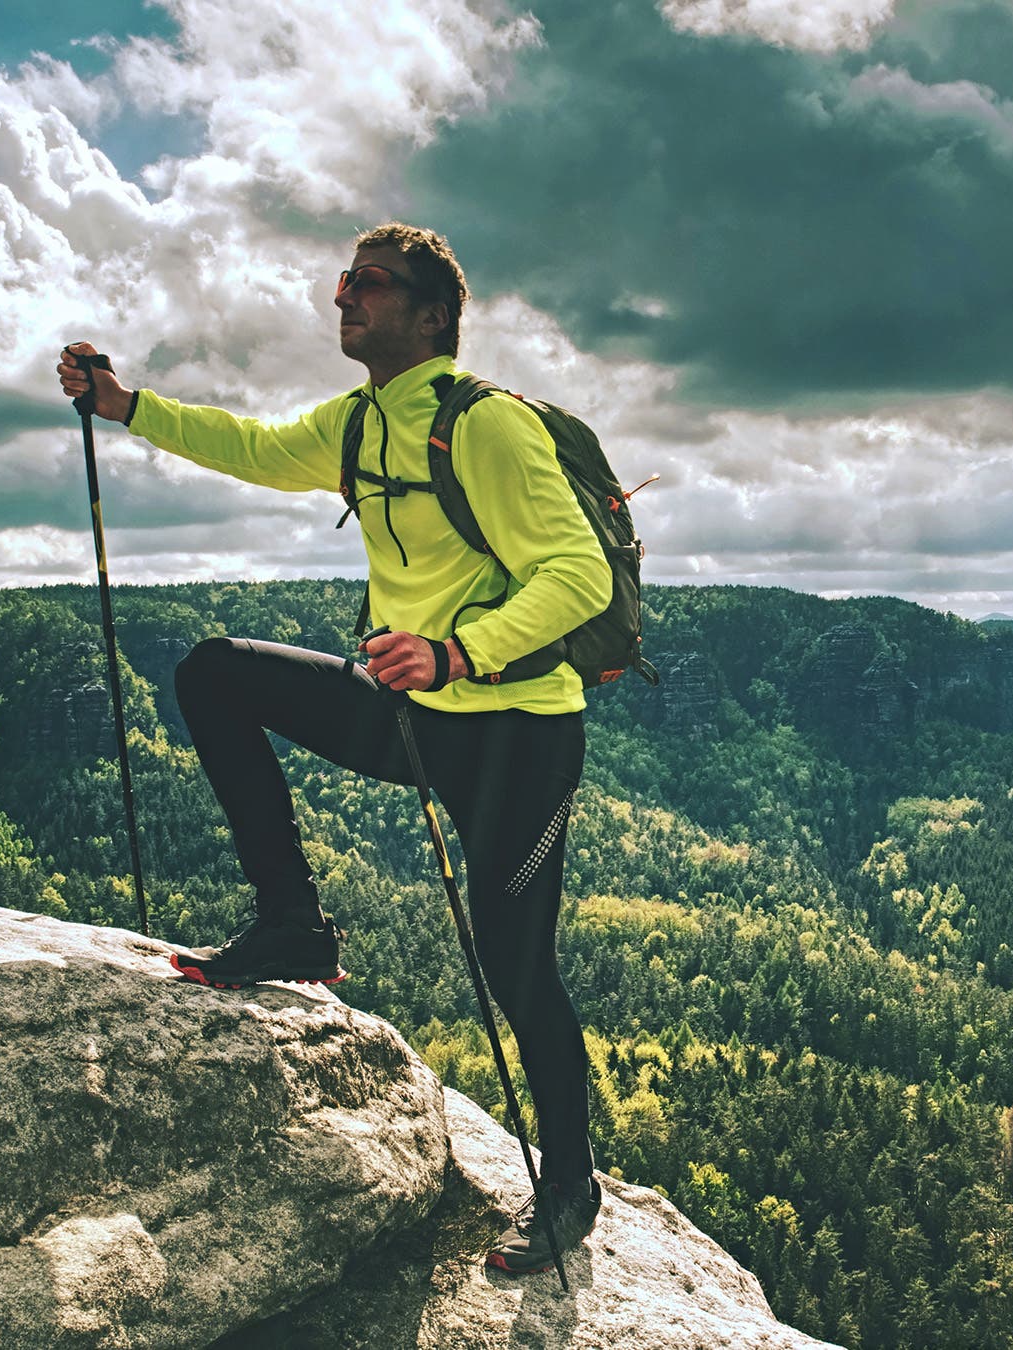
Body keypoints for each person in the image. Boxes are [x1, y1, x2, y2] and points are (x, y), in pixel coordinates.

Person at [54, 223, 610, 1274]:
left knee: (515, 962)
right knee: (216, 672)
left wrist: (457, 652)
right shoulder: (357, 424)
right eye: (344, 280)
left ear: (433, 316)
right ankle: (294, 927)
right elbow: (253, 448)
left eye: (371, 284)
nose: (344, 297)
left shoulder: (487, 426)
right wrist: (127, 407)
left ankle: (570, 1183)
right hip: (415, 710)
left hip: (518, 733)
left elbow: (577, 575)